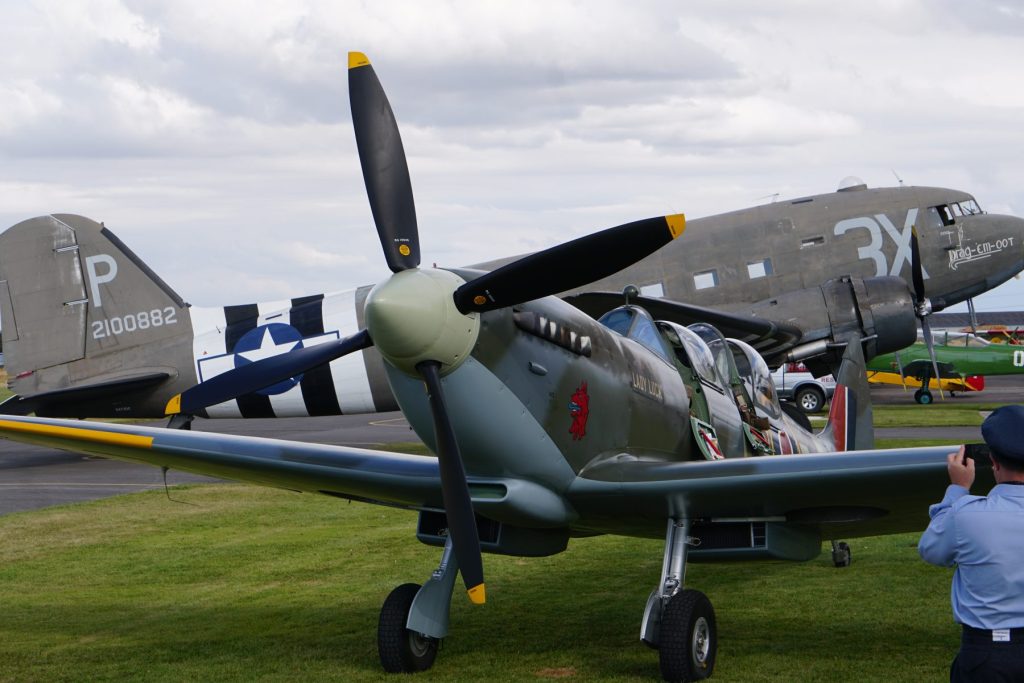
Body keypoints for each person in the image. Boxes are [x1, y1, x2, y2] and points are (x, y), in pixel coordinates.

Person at [919, 404, 1024, 682]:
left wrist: (957, 490)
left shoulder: (966, 514)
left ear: (994, 461)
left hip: (986, 653)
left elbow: (931, 551)